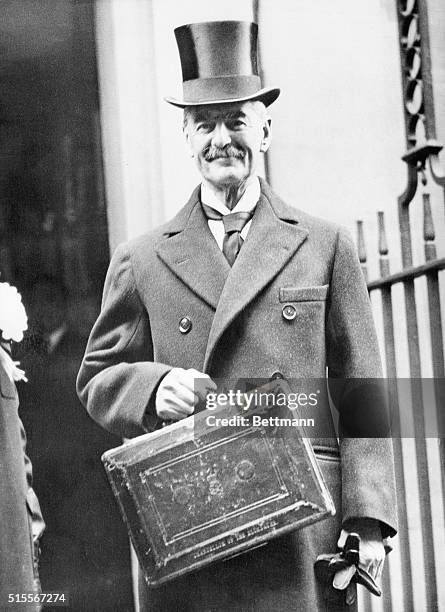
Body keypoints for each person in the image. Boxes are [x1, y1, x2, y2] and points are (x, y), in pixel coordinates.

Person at [77, 21, 397, 611]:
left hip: (301, 524)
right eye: (205, 125)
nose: (221, 139)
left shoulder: (324, 245)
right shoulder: (141, 258)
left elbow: (363, 394)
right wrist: (151, 388)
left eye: (237, 122)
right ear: (186, 136)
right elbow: (97, 377)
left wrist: (369, 516)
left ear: (266, 131)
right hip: (193, 525)